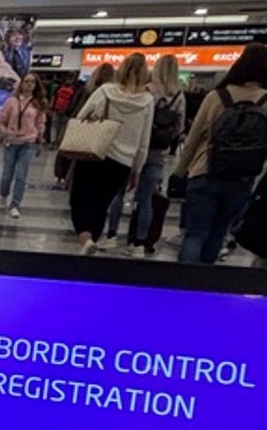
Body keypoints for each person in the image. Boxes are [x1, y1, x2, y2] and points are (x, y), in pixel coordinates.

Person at [172, 43, 267, 264]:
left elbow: (194, 138)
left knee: (195, 233)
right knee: (217, 234)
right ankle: (205, 286)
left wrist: (179, 171)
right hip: (241, 177)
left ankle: (183, 284)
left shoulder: (217, 96)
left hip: (205, 171)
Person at [70, 53, 154, 255]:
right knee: (100, 205)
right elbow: (144, 140)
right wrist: (136, 169)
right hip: (122, 163)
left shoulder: (105, 91)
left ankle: (86, 238)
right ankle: (92, 240)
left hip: (94, 154)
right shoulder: (147, 101)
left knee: (80, 200)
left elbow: (81, 117)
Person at [119, 54, 185, 257]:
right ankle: (140, 242)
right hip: (158, 152)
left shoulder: (147, 91)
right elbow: (179, 128)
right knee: (147, 198)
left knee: (121, 193)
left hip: (135, 149)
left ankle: (114, 234)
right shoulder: (179, 96)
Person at [55, 64, 116, 188]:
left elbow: (74, 108)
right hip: (102, 134)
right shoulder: (113, 94)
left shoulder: (87, 90)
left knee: (77, 159)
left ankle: (70, 182)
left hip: (82, 128)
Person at [0, 73, 48, 220]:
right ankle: (3, 195)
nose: (29, 84)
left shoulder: (38, 103)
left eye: (32, 82)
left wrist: (40, 140)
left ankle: (15, 204)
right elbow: (2, 120)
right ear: (22, 83)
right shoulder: (12, 101)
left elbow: (40, 123)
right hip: (11, 141)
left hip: (28, 142)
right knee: (7, 174)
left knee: (21, 175)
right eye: (26, 81)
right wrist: (4, 132)